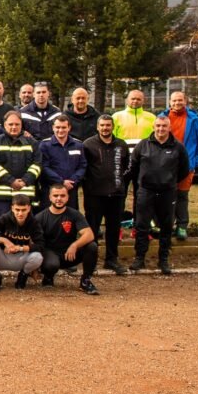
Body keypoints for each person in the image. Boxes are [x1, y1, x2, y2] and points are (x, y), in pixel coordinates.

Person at [128, 115, 190, 275]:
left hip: (167, 192)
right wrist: (143, 182)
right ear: (153, 127)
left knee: (166, 226)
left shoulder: (178, 147)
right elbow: (133, 167)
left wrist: (169, 181)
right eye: (158, 126)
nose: (161, 129)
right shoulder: (143, 145)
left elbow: (184, 169)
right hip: (146, 191)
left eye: (164, 126)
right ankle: (139, 258)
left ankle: (163, 260)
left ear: (169, 128)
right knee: (142, 226)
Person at [159, 91, 198, 241]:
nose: (177, 103)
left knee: (182, 196)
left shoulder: (194, 120)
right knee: (165, 197)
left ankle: (182, 226)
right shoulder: (162, 118)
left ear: (185, 101)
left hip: (186, 166)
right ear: (169, 102)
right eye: (174, 101)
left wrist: (196, 161)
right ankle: (166, 226)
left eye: (180, 100)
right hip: (165, 166)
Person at [82, 114, 130, 275]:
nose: (105, 128)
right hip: (94, 194)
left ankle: (111, 260)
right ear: (97, 127)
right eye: (102, 125)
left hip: (116, 195)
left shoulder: (121, 145)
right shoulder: (88, 145)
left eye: (108, 125)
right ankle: (91, 261)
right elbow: (84, 167)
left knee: (113, 229)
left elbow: (126, 168)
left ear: (112, 126)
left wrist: (121, 186)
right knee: (92, 230)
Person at [36, 185, 99, 294]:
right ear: (50, 197)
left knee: (92, 246)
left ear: (67, 197)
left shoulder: (74, 214)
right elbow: (35, 241)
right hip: (50, 254)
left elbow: (89, 234)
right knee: (51, 265)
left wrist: (75, 245)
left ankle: (85, 281)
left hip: (70, 254)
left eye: (62, 196)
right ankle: (48, 277)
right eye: (55, 195)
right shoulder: (40, 217)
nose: (59, 198)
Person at [0, 194, 44, 292]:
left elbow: (41, 245)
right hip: (3, 256)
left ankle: (23, 276)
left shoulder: (34, 223)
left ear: (29, 208)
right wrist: (4, 240)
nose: (20, 213)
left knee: (38, 257)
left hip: (21, 258)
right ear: (12, 208)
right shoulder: (5, 218)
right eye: (17, 209)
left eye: (23, 210)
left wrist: (20, 248)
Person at [0, 111, 41, 218]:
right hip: (1, 195)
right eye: (10, 124)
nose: (14, 127)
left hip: (26, 192)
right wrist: (10, 181)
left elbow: (37, 164)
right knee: (1, 227)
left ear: (21, 125)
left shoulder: (32, 143)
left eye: (17, 124)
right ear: (4, 125)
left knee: (25, 228)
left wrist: (25, 180)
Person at [38, 115, 86, 211]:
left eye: (64, 127)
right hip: (50, 190)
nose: (60, 130)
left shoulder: (78, 145)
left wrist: (73, 180)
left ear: (69, 128)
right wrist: (61, 182)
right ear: (53, 128)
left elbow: (82, 165)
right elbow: (44, 167)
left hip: (70, 190)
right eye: (58, 127)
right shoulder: (44, 145)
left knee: (71, 219)